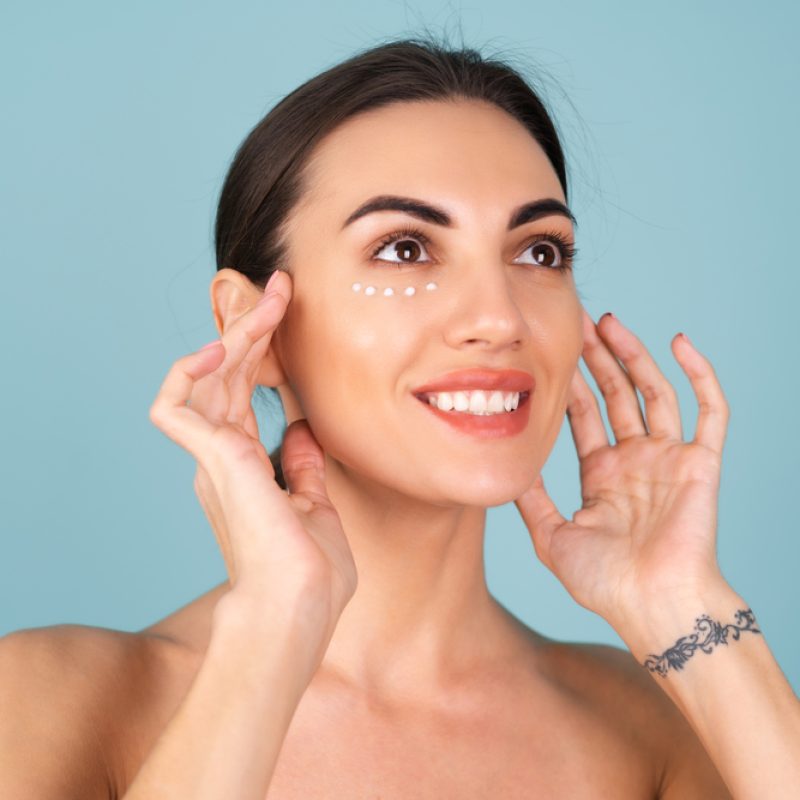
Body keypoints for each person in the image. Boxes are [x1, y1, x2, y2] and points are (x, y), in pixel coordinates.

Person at [1, 34, 797, 800]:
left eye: (539, 251)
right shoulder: (53, 698)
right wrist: (276, 628)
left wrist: (683, 604)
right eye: (406, 249)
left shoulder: (660, 720)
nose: (498, 316)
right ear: (256, 329)